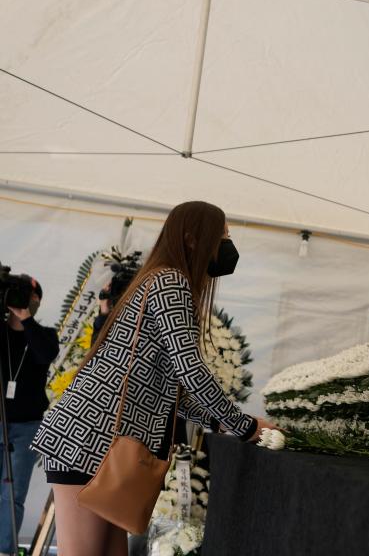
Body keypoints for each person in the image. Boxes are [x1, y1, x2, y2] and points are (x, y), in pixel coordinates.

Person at [31, 201, 277, 556]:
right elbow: (191, 371)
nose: (226, 245)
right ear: (193, 239)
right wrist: (244, 425)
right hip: (90, 441)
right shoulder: (171, 281)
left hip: (105, 444)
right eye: (221, 236)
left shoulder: (160, 279)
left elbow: (174, 387)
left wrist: (221, 421)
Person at [0, 277, 58, 556]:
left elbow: (46, 354)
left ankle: (5, 550)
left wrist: (24, 318)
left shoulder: (44, 334)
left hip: (26, 425)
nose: (25, 300)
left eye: (30, 296)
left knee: (12, 495)